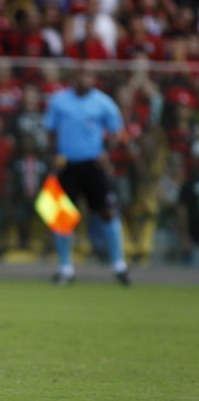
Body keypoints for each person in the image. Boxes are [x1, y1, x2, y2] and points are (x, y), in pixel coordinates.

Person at [43, 65, 130, 285]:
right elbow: (49, 132)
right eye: (80, 75)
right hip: (67, 165)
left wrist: (106, 153)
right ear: (73, 78)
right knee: (62, 217)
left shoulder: (103, 102)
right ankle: (65, 268)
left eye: (88, 75)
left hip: (93, 165)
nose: (84, 79)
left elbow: (117, 132)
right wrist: (53, 155)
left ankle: (119, 266)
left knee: (107, 212)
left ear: (93, 78)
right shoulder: (59, 100)